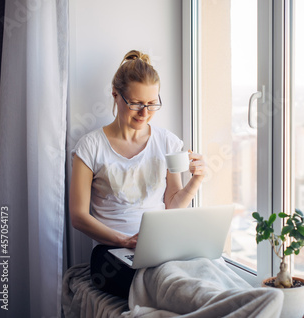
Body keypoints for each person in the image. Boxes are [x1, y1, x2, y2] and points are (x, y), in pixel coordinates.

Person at [69, 50, 205, 299]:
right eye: (136, 104)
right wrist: (124, 241)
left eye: (152, 104)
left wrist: (196, 180)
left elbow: (172, 205)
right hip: (110, 251)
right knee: (159, 284)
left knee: (198, 273)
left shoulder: (166, 142)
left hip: (160, 246)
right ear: (115, 94)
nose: (145, 113)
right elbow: (78, 217)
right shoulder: (90, 147)